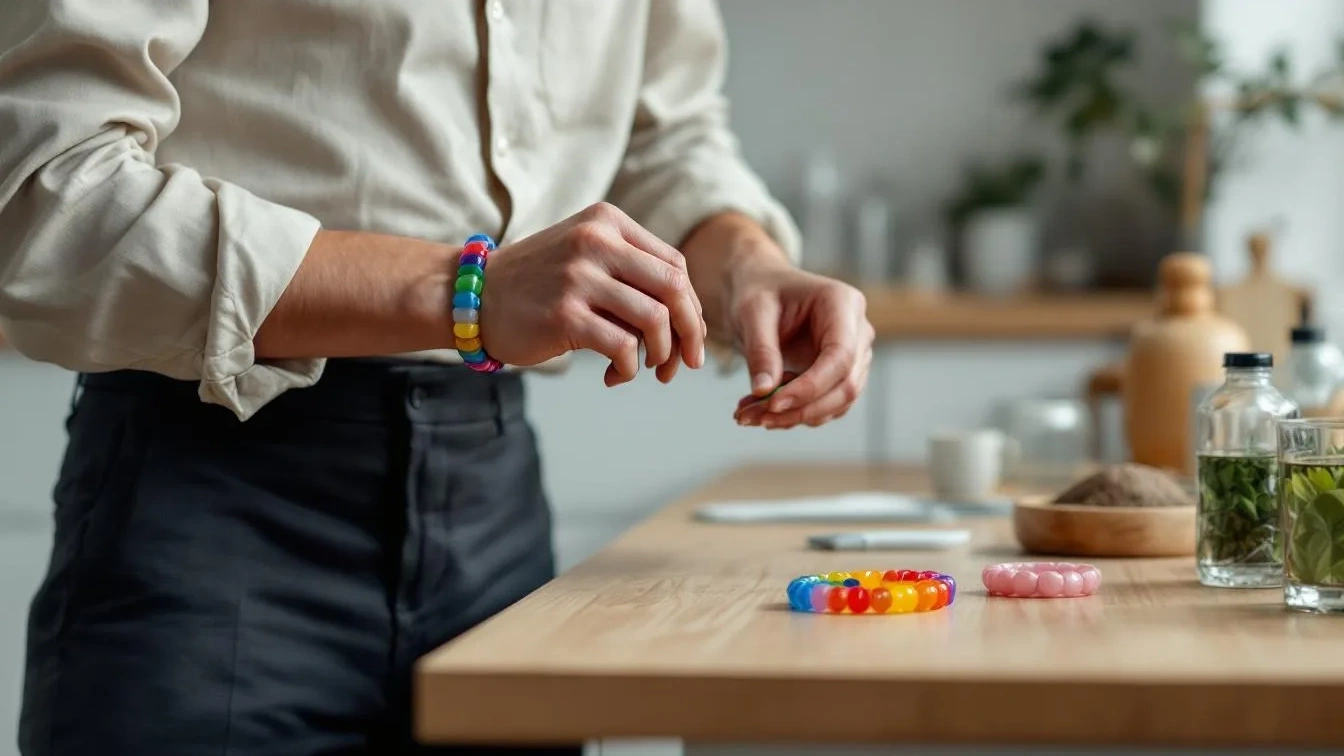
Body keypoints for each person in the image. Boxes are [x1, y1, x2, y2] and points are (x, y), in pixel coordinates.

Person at [0, 0, 875, 753]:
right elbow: (44, 196)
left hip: (493, 510)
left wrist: (748, 266)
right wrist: (470, 290)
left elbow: (666, 141)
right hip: (205, 499)